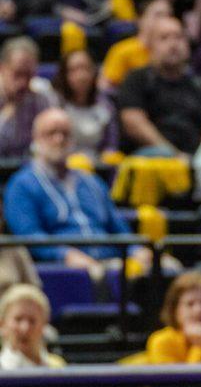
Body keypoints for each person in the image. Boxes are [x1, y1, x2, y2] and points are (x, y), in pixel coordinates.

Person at [5, 108, 133, 272]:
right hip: (64, 269)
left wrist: (136, 250)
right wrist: (64, 254)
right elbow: (29, 235)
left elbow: (118, 227)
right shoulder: (21, 184)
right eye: (51, 133)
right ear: (35, 139)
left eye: (65, 133)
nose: (59, 139)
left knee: (166, 266)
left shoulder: (92, 181)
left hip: (111, 261)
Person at [118, 15, 201, 155]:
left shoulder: (200, 85)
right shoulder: (136, 79)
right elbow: (133, 122)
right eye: (164, 38)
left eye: (179, 37)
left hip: (195, 156)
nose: (173, 44)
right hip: (151, 159)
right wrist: (173, 154)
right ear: (150, 46)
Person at [144, 272, 201, 364]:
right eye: (190, 304)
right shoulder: (162, 342)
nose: (198, 310)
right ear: (175, 309)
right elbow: (185, 380)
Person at [52, 49, 118, 161]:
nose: (81, 76)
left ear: (94, 72)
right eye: (74, 70)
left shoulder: (106, 105)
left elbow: (111, 145)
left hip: (97, 166)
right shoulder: (54, 103)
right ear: (64, 75)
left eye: (86, 69)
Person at [100, 0, 172, 92]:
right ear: (140, 19)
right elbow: (105, 87)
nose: (164, 21)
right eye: (158, 15)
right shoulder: (123, 50)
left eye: (169, 16)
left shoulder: (172, 52)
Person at [0, 36, 55, 158]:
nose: (23, 83)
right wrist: (9, 111)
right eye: (17, 74)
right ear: (2, 68)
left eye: (29, 75)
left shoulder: (42, 94)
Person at [0, 284, 64, 370]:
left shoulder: (58, 367)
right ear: (2, 324)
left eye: (32, 321)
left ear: (44, 326)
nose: (25, 328)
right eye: (18, 319)